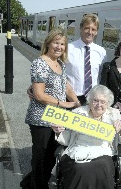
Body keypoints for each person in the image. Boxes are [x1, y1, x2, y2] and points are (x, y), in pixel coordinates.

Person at [23, 29, 81, 189]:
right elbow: (39, 95)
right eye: (56, 42)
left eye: (62, 44)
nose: (59, 47)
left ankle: (28, 183)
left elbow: (66, 87)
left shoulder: (60, 63)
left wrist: (76, 102)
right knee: (40, 158)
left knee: (50, 157)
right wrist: (64, 104)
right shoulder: (40, 63)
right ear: (48, 43)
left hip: (56, 118)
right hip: (40, 119)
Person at [51, 85, 121, 189]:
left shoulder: (114, 114)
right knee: (79, 168)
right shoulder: (78, 113)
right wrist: (58, 131)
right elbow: (66, 140)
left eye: (103, 102)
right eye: (95, 100)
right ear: (89, 101)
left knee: (102, 166)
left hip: (104, 151)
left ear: (108, 103)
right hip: (78, 150)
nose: (98, 105)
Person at [66, 13, 107, 105]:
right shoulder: (68, 49)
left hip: (93, 99)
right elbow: (58, 73)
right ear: (81, 28)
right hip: (71, 97)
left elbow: (101, 75)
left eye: (93, 29)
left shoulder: (101, 51)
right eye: (87, 28)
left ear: (96, 32)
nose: (90, 32)